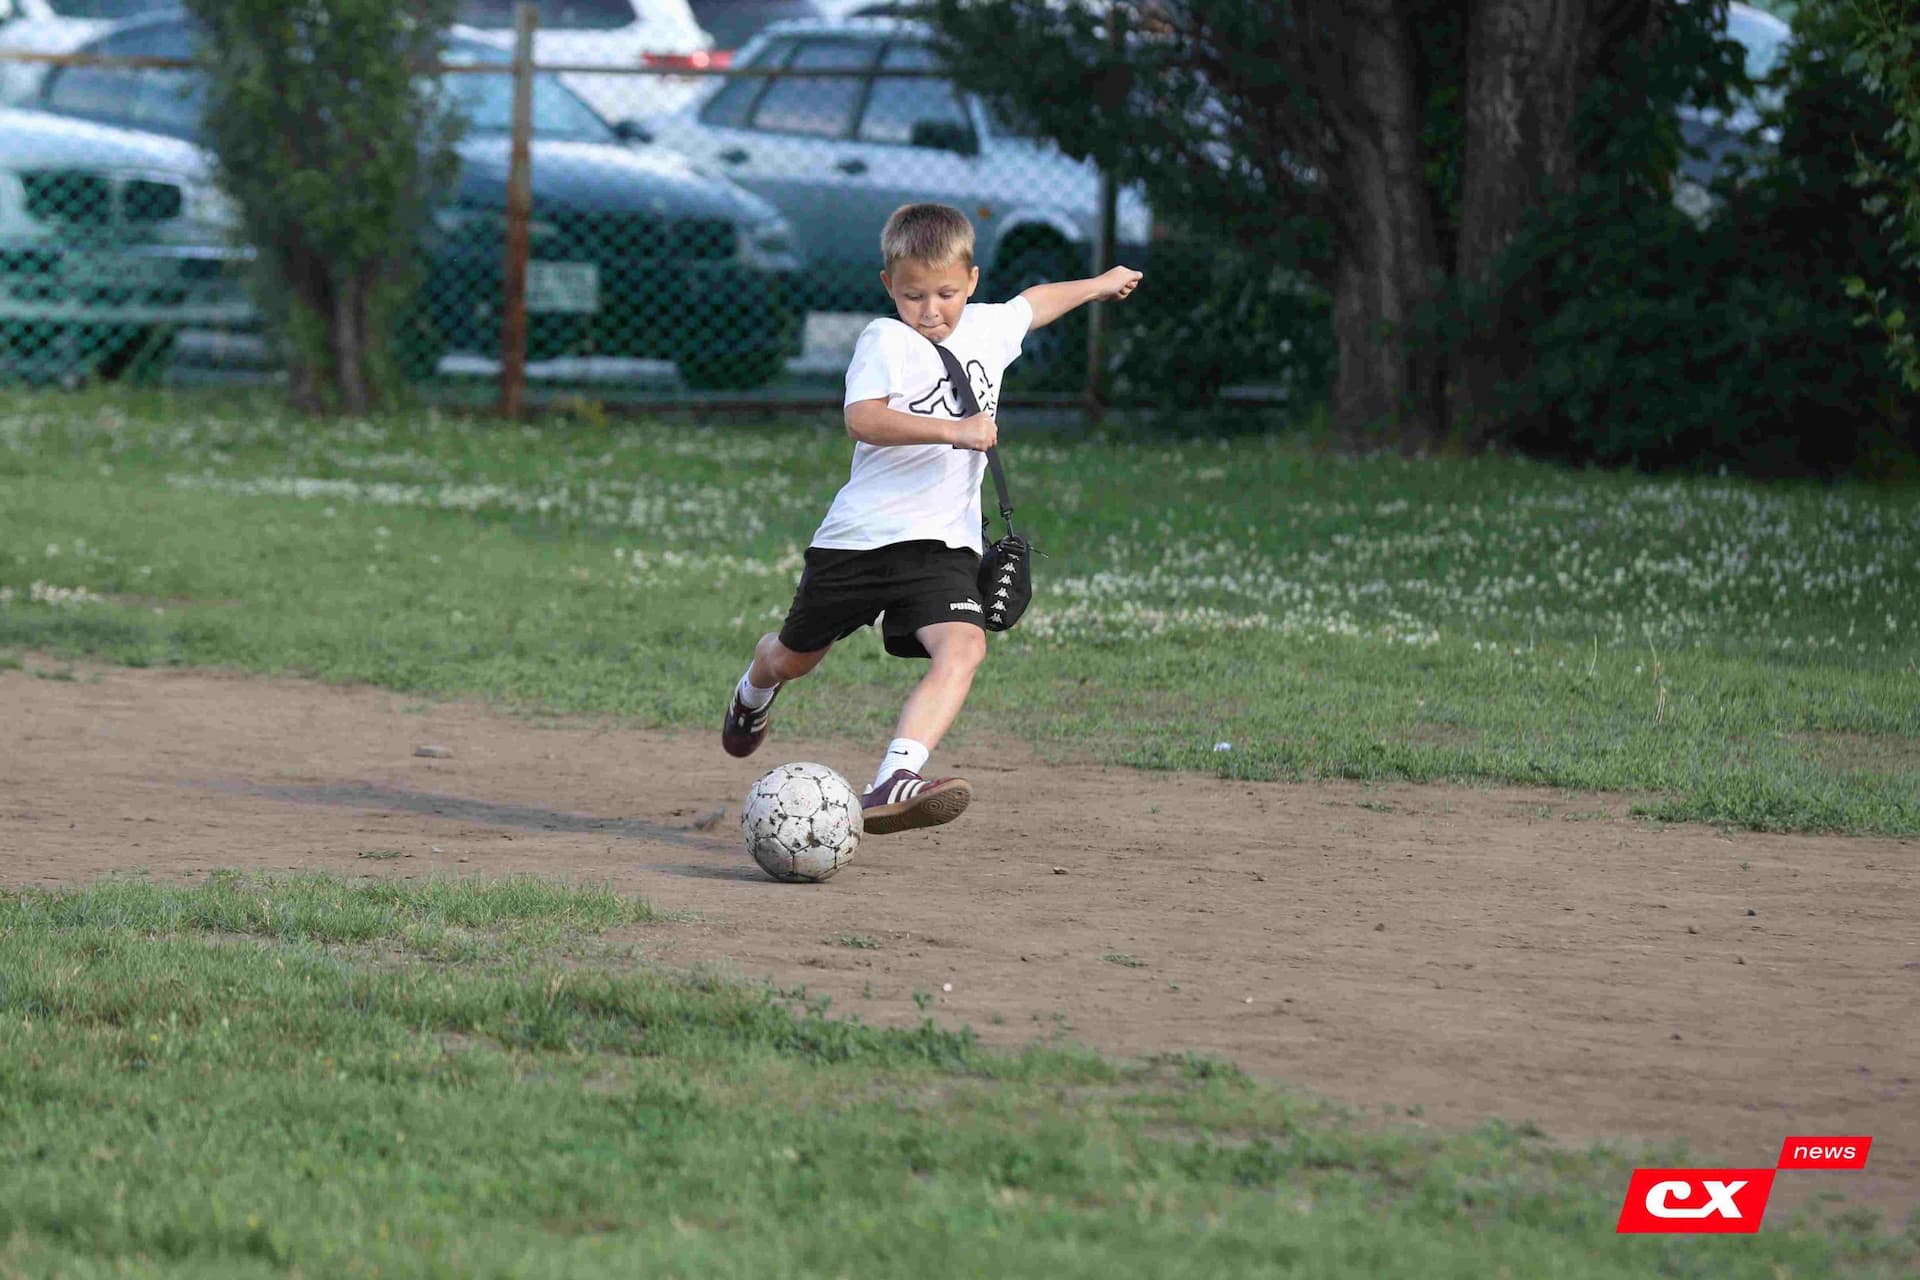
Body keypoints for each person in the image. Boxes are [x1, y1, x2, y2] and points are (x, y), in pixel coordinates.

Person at [721, 202, 1142, 834]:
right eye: (913, 294)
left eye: (946, 293)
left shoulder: (987, 328)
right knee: (795, 660)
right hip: (860, 540)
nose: (931, 309)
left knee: (965, 645)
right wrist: (956, 431)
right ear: (890, 286)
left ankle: (894, 776)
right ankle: (755, 687)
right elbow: (862, 418)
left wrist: (1101, 283)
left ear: (971, 282)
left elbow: (1033, 303)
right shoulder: (884, 340)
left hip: (943, 544)